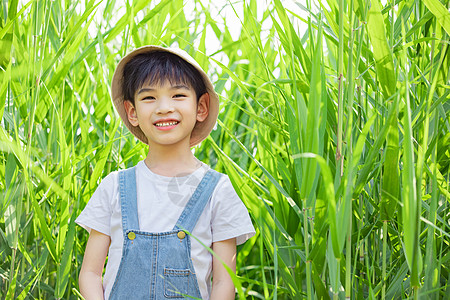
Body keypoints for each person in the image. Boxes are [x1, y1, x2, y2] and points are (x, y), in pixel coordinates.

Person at [76, 45, 255, 300]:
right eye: (149, 98)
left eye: (178, 95)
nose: (163, 107)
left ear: (201, 107)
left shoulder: (218, 191)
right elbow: (91, 273)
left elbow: (224, 284)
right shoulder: (115, 187)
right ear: (132, 112)